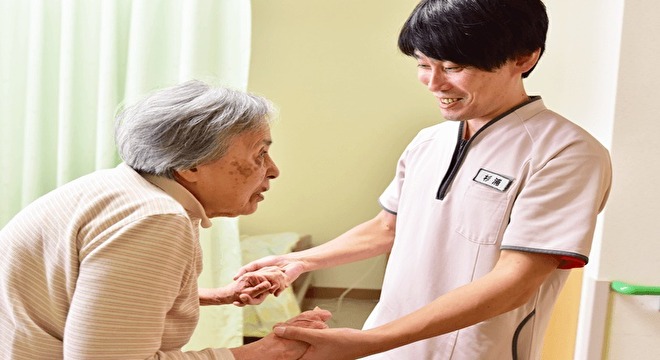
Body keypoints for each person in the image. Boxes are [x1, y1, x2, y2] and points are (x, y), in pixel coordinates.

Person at [236, 0, 613, 359]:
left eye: (451, 67)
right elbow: (388, 227)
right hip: (385, 344)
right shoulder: (428, 141)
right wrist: (298, 261)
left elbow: (516, 282)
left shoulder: (566, 153)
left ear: (524, 57)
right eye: (422, 64)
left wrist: (367, 342)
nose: (433, 83)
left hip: (473, 352)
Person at [0, 80, 330, 360]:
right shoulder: (155, 220)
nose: (273, 170)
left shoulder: (120, 190)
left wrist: (216, 295)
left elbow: (93, 296)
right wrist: (268, 350)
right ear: (191, 166)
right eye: (259, 154)